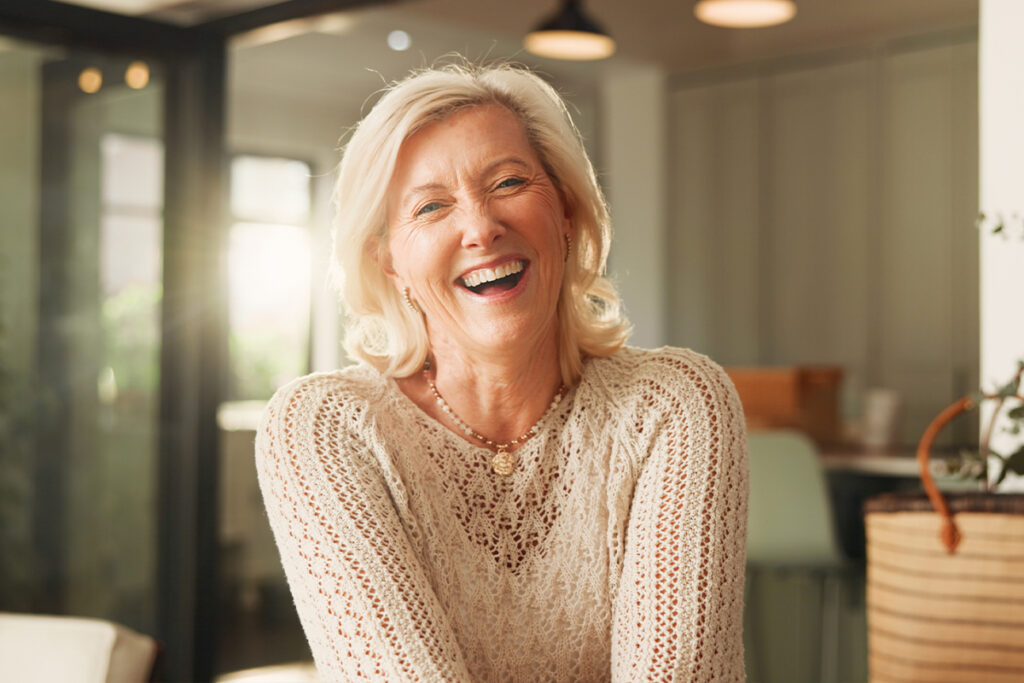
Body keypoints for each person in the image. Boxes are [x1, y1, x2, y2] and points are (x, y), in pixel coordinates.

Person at [256, 62, 748, 682]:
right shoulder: (323, 428)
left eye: (509, 182)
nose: (481, 228)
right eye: (432, 207)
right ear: (389, 263)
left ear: (566, 214)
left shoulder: (674, 404)